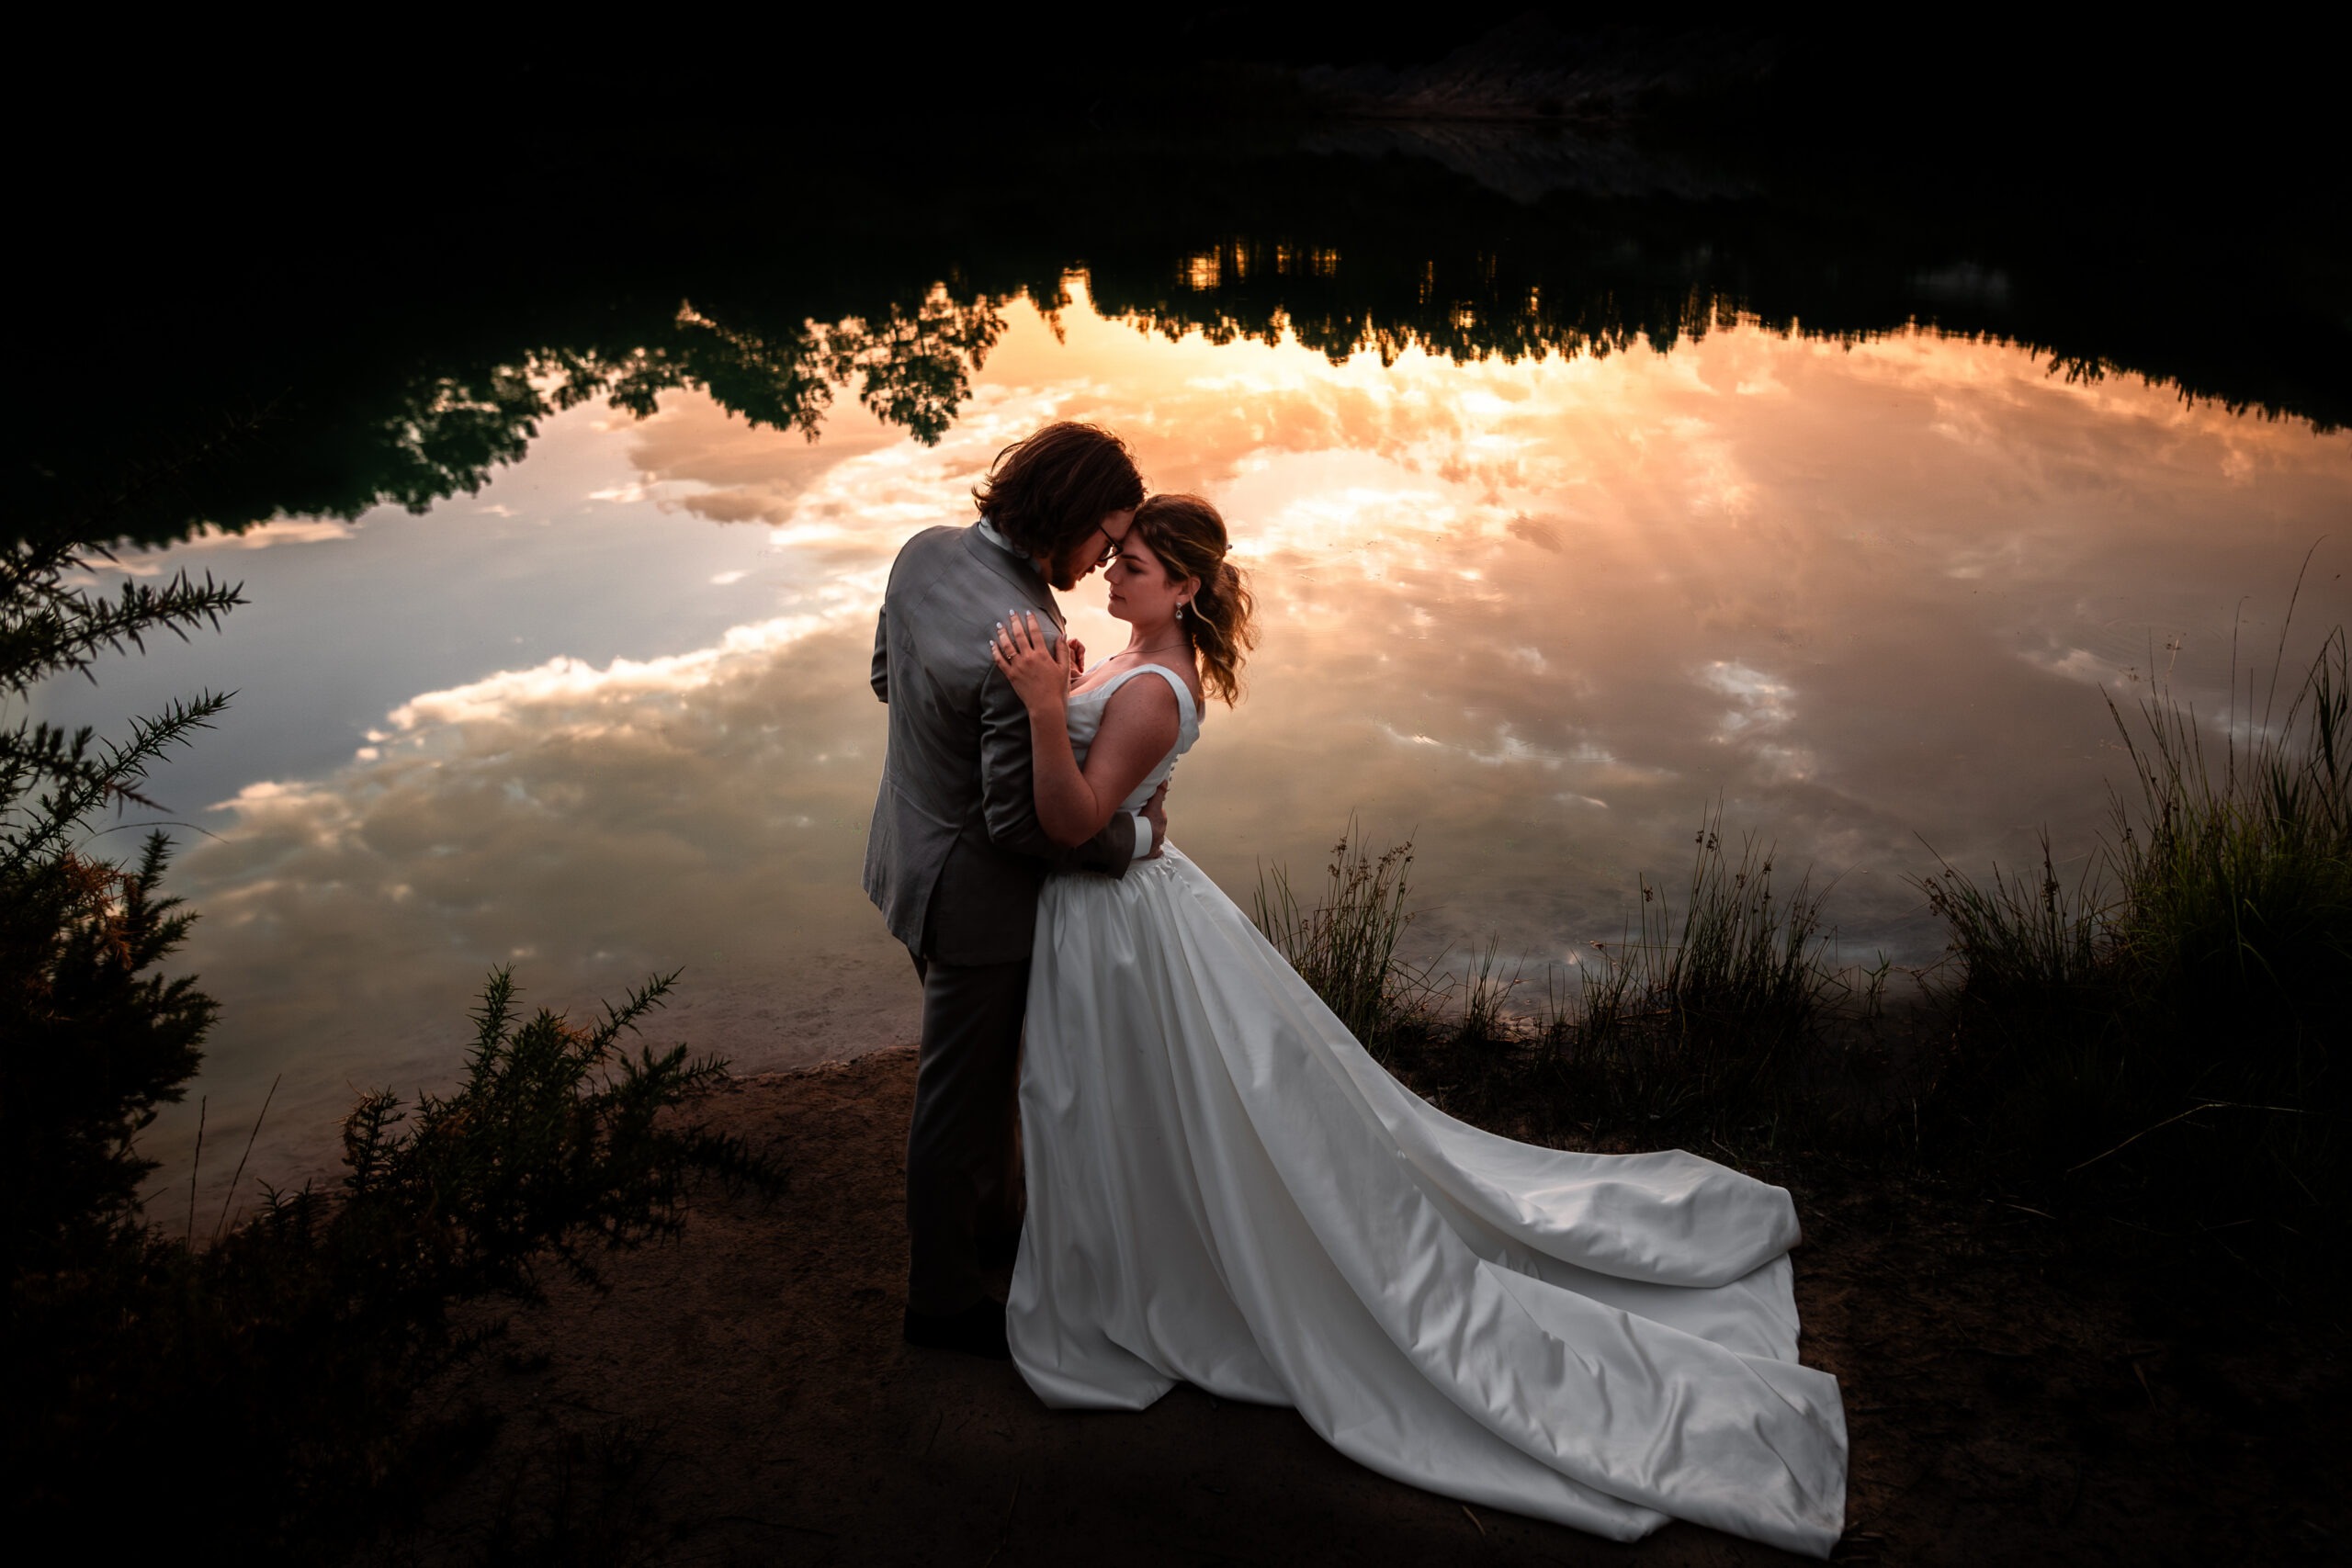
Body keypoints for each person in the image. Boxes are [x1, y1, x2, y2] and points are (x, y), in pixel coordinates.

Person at [985, 492, 1850, 1557]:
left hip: (1118, 926)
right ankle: (1139, 1251)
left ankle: (1155, 1281)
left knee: (1142, 1101)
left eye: (1133, 567)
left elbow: (1075, 818)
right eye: (1114, 559)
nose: (1110, 576)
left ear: (1187, 588)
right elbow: (1120, 798)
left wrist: (1039, 707)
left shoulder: (1159, 690)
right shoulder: (1129, 659)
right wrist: (1075, 687)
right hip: (1122, 918)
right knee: (1147, 1106)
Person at [863, 421, 1165, 1359]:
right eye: (1104, 539)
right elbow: (1022, 825)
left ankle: (997, 1226)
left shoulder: (923, 555)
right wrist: (1132, 837)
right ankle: (942, 1303)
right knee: (956, 1100)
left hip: (905, 859)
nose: (1106, 559)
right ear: (1067, 515)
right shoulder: (1025, 628)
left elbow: (886, 679)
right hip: (977, 905)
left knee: (980, 1083)